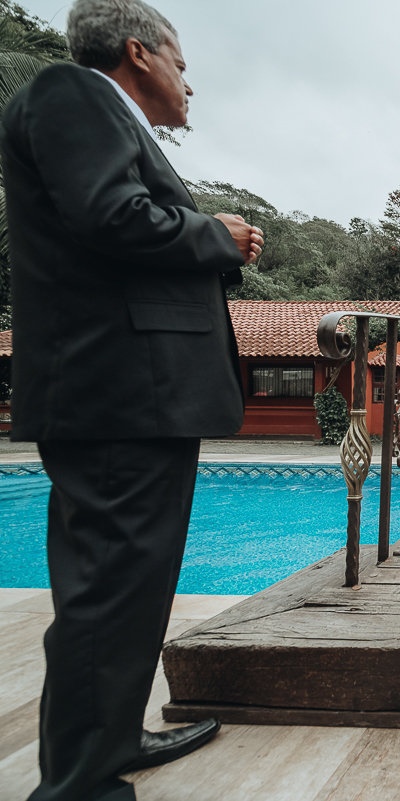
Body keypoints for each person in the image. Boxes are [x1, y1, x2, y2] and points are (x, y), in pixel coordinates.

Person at [1, 1, 264, 798]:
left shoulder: (102, 114)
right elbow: (109, 213)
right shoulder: (68, 93)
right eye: (183, 64)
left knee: (132, 579)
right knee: (110, 581)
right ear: (139, 53)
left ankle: (112, 735)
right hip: (117, 387)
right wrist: (214, 234)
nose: (190, 81)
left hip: (133, 392)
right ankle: (78, 780)